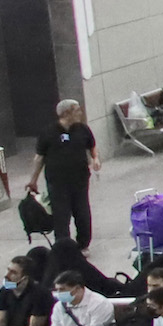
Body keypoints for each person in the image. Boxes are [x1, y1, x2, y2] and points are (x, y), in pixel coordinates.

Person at [27, 100, 101, 249]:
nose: (80, 113)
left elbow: (92, 146)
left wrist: (95, 158)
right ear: (66, 113)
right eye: (77, 110)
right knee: (61, 216)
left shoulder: (83, 129)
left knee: (83, 214)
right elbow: (39, 158)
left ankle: (83, 244)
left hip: (80, 180)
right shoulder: (48, 133)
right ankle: (63, 247)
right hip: (57, 182)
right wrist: (33, 180)